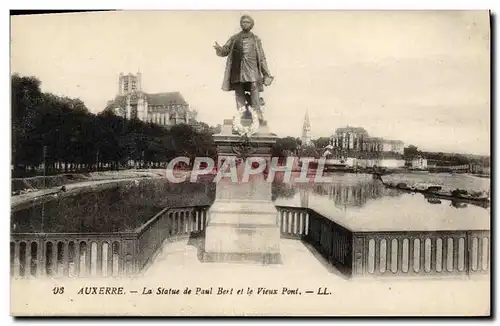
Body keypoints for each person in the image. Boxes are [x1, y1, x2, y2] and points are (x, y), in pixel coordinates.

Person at [214, 15, 274, 120]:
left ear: (252, 25)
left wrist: (266, 74)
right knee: (239, 89)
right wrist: (219, 49)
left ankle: (256, 112)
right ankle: (241, 112)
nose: (245, 24)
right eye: (243, 22)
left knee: (254, 87)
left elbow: (262, 58)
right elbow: (225, 50)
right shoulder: (234, 38)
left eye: (247, 22)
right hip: (238, 69)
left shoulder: (256, 39)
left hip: (252, 69)